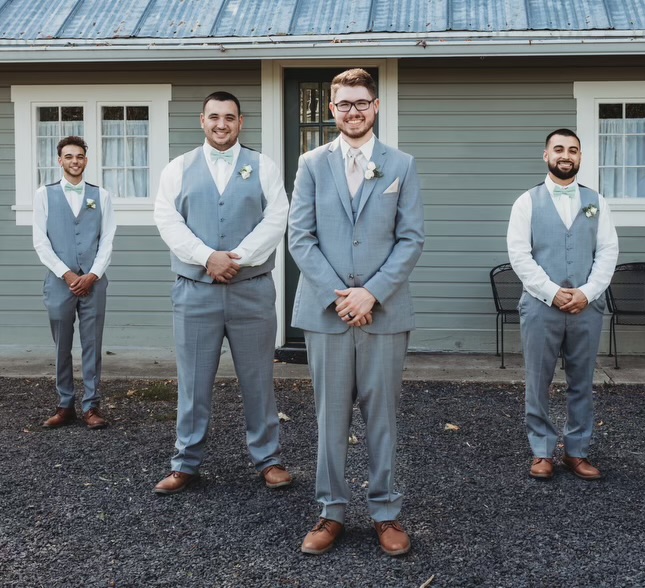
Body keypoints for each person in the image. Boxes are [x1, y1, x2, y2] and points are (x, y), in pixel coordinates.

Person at [288, 69, 424, 556]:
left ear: (376, 106)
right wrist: (340, 295)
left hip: (383, 313)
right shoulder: (310, 163)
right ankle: (331, 511)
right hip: (326, 312)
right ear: (331, 109)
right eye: (343, 104)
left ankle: (386, 511)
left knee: (381, 416)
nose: (352, 111)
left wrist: (372, 294)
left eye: (361, 102)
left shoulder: (401, 165)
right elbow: (300, 237)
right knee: (329, 417)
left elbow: (411, 240)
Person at [153, 91, 292, 495]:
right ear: (202, 120)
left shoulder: (263, 166)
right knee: (193, 381)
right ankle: (185, 463)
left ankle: (269, 460)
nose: (221, 124)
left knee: (258, 380)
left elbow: (276, 217)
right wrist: (206, 257)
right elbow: (167, 219)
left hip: (251, 289)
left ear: (240, 122)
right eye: (214, 117)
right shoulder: (177, 169)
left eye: (229, 117)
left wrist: (239, 257)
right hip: (195, 291)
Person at [507, 128, 619, 481]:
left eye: (572, 149)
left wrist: (587, 292)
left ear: (580, 157)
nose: (565, 155)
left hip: (587, 306)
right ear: (546, 155)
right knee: (537, 380)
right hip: (541, 306)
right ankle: (541, 451)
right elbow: (519, 254)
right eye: (559, 149)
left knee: (581, 381)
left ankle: (577, 451)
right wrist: (551, 292)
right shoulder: (527, 201)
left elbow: (608, 252)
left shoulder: (597, 202)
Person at [33, 136, 116, 430]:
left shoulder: (101, 195)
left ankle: (91, 406)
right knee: (62, 345)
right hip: (59, 282)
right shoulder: (44, 194)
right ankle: (64, 404)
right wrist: (67, 274)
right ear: (59, 160)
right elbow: (40, 242)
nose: (75, 161)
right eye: (69, 156)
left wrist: (92, 275)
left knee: (92, 344)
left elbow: (107, 240)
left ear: (86, 160)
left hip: (94, 282)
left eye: (79, 156)